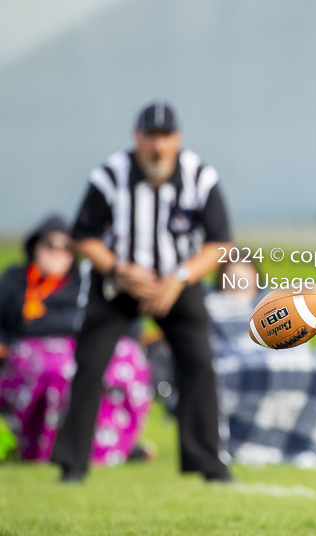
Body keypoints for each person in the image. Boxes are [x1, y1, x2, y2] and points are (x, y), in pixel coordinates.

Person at [51, 102, 233, 482]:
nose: (158, 146)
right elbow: (83, 235)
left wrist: (178, 278)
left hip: (176, 281)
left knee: (199, 361)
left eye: (165, 137)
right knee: (90, 361)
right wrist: (119, 270)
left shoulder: (199, 176)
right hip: (118, 281)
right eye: (150, 137)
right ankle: (72, 463)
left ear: (178, 139)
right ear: (136, 138)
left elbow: (220, 245)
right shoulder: (110, 175)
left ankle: (209, 462)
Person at [0, 215, 151, 464]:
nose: (57, 253)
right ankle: (47, 448)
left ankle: (113, 448)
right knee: (62, 370)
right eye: (49, 245)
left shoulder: (87, 280)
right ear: (34, 246)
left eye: (66, 247)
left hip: (85, 342)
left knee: (124, 363)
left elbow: (121, 317)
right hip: (32, 350)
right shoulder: (16, 281)